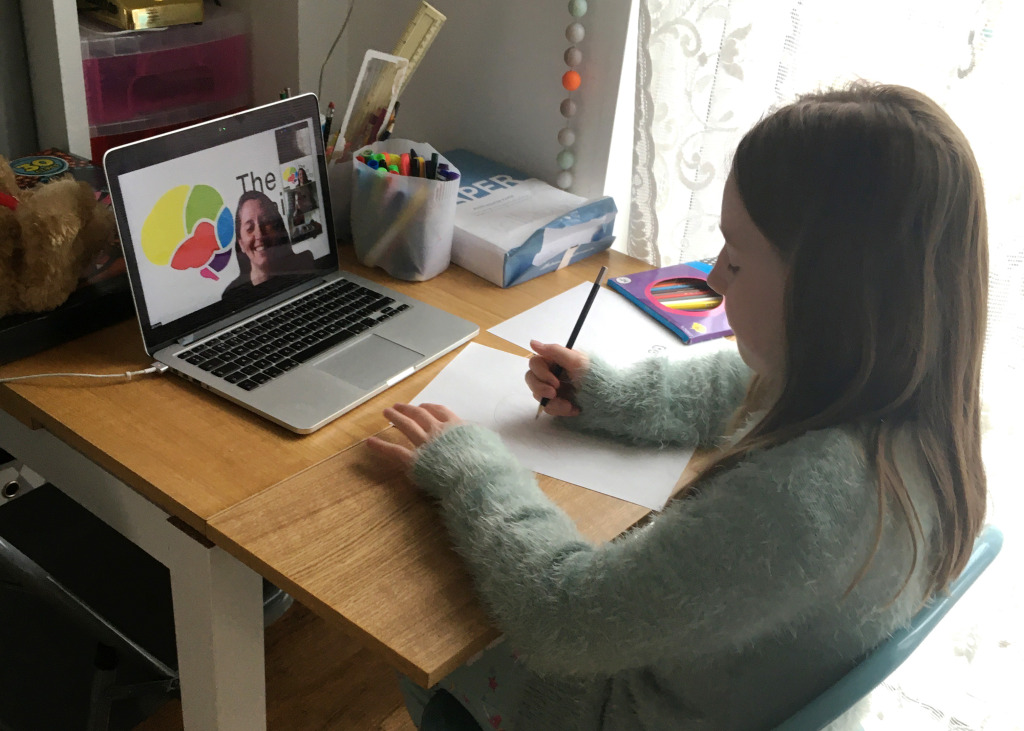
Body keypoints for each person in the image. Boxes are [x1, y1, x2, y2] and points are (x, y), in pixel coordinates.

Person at [367, 82, 988, 730]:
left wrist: (474, 468)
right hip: (745, 697)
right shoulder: (918, 412)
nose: (715, 277)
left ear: (829, 296)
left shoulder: (804, 502)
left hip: (610, 711)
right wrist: (614, 394)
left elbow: (564, 614)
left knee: (416, 621)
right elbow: (748, 385)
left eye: (739, 260)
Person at [224, 190, 315, 293]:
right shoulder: (232, 295)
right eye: (250, 228)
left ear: (277, 229)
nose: (259, 234)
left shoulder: (306, 267)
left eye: (266, 223)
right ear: (241, 244)